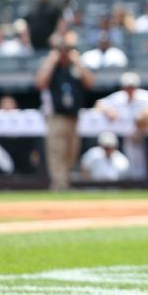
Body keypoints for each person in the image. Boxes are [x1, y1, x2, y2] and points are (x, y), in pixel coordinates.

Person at [34, 32, 95, 191]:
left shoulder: (74, 67)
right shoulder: (52, 67)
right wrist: (52, 60)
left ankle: (65, 181)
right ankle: (59, 184)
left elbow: (90, 83)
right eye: (61, 50)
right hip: (56, 116)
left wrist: (77, 61)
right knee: (56, 151)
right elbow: (40, 83)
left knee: (71, 152)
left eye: (66, 50)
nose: (64, 53)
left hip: (74, 117)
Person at [94, 72, 148, 180]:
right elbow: (99, 104)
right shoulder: (119, 98)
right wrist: (108, 110)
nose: (130, 90)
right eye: (127, 87)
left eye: (132, 87)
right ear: (123, 88)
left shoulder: (145, 96)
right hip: (130, 140)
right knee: (134, 172)